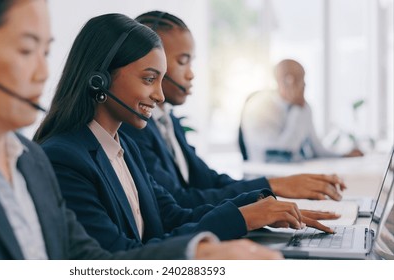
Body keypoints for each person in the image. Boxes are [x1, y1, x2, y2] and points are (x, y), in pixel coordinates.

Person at [0, 0, 282, 260]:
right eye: (25, 50)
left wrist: (199, 255)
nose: (42, 72)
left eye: (45, 52)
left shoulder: (27, 160)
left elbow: (90, 261)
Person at [34, 13, 337, 253]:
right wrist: (243, 218)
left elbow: (172, 215)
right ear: (99, 79)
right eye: (149, 79)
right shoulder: (65, 158)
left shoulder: (122, 146)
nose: (159, 95)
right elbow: (116, 258)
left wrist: (261, 204)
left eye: (161, 80)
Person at [120, 11, 349, 209]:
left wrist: (272, 187)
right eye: (182, 62)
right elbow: (177, 202)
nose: (191, 74)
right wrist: (271, 188)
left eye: (192, 62)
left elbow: (208, 180)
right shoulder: (133, 127)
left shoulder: (169, 122)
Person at [240, 59, 364, 163]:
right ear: (287, 80)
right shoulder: (259, 108)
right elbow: (284, 151)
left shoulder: (304, 107)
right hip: (264, 178)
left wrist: (343, 156)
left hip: (295, 173)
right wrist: (297, 111)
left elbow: (317, 149)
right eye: (300, 79)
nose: (305, 84)